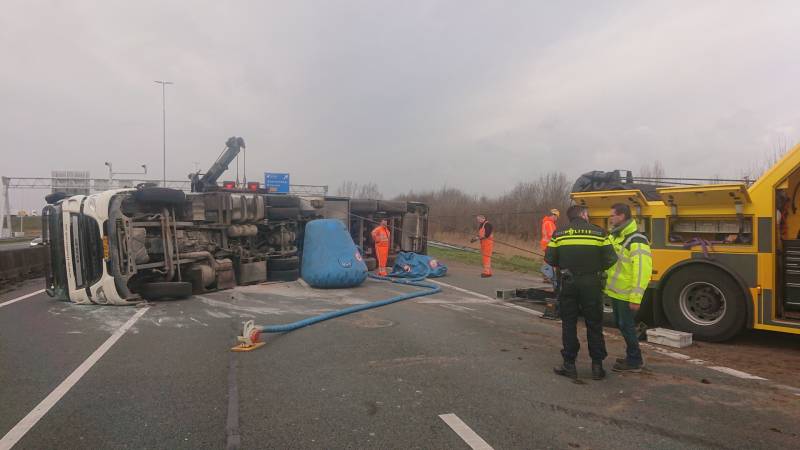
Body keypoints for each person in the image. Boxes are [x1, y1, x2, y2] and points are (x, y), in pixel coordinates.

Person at [545, 205, 617, 380]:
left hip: (568, 283)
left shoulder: (559, 233)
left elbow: (550, 259)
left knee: (569, 324)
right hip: (592, 284)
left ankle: (569, 365)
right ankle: (597, 367)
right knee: (594, 324)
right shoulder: (600, 233)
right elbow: (611, 258)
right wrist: (595, 269)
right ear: (584, 215)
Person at [605, 203, 653, 373]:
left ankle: (635, 360)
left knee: (626, 326)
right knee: (622, 325)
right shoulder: (616, 236)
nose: (610, 218)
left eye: (613, 215)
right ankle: (632, 357)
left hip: (626, 295)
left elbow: (642, 271)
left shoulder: (636, 240)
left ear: (622, 216)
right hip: (617, 292)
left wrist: (635, 298)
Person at [540, 209, 560, 289]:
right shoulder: (549, 223)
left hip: (546, 244)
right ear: (553, 215)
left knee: (547, 260)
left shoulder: (547, 222)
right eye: (557, 217)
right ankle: (547, 276)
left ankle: (546, 276)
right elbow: (553, 235)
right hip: (549, 244)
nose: (557, 219)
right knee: (549, 261)